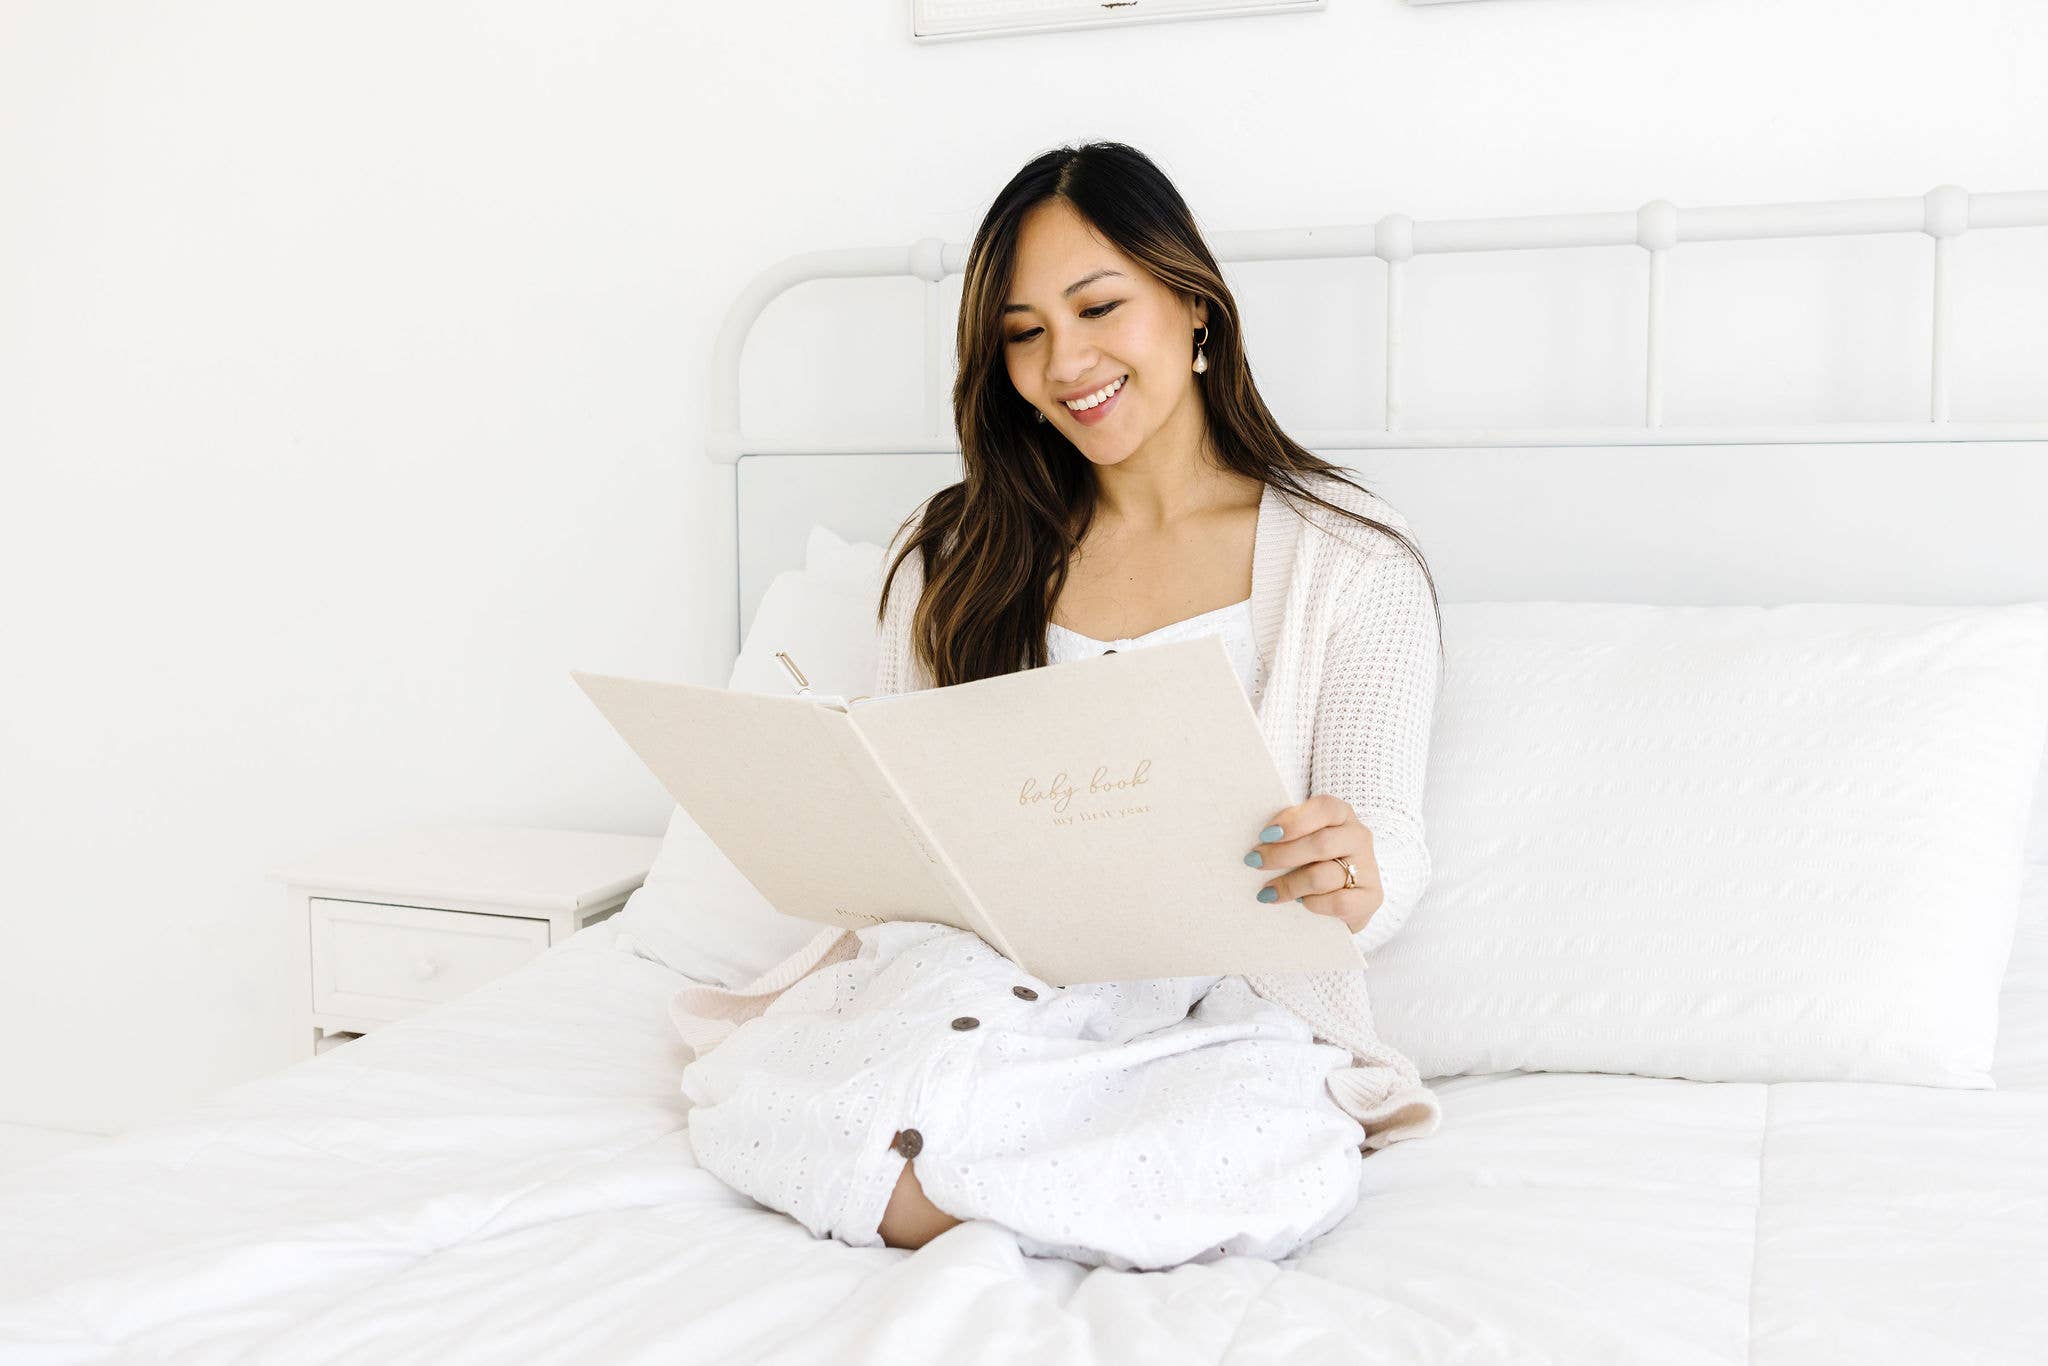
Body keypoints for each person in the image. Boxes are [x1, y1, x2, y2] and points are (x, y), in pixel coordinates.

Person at [673, 141, 1447, 1272]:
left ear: (1190, 301)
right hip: (986, 973)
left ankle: (951, 1195)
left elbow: (1389, 838)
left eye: (1097, 307)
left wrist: (1358, 873)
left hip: (1214, 1002)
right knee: (774, 1090)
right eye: (1023, 333)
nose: (1063, 362)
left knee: (1264, 1134)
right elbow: (910, 828)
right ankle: (1018, 1201)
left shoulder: (1347, 560)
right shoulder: (951, 552)